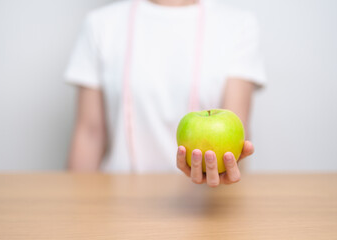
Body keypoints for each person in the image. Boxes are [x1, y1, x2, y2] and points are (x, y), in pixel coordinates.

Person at [64, 0, 265, 187]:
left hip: (207, 203)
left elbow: (237, 128)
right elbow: (89, 133)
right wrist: (74, 206)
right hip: (119, 197)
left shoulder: (238, 25)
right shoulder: (101, 24)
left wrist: (225, 168)